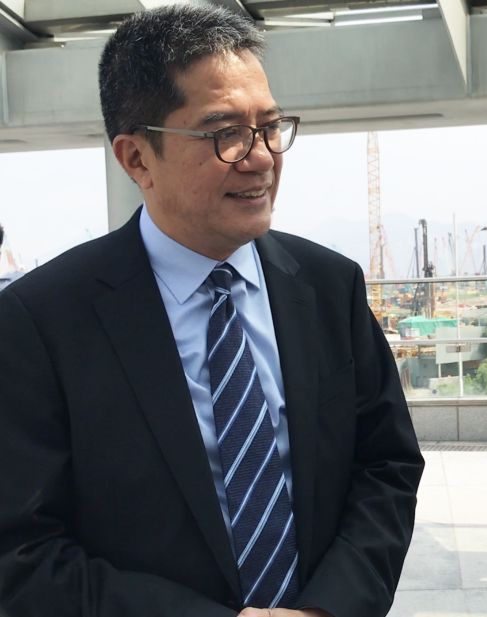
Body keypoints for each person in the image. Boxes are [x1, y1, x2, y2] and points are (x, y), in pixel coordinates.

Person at [0, 6, 423, 617]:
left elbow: (386, 465)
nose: (260, 157)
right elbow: (22, 552)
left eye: (271, 126)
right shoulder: (39, 323)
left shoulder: (331, 287)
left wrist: (329, 606)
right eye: (223, 133)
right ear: (137, 159)